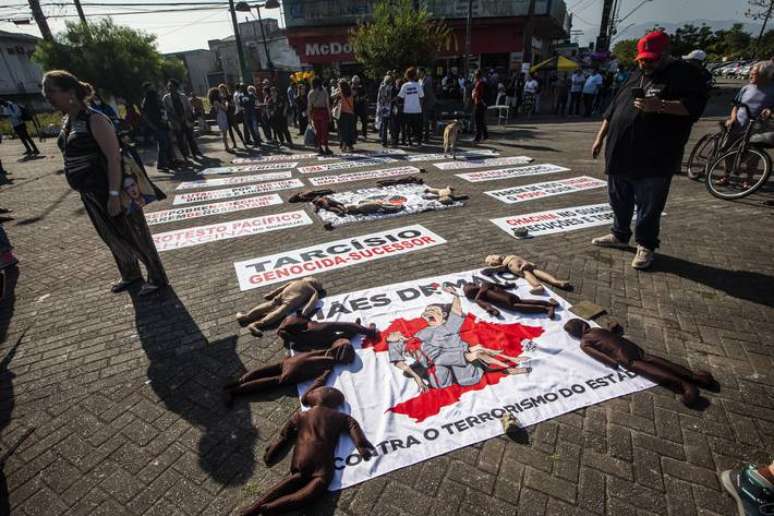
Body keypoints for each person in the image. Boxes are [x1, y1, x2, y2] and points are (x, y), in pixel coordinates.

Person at [591, 31, 710, 269]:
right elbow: (613, 109)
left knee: (649, 204)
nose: (646, 64)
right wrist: (600, 137)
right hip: (620, 151)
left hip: (655, 155)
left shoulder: (685, 75)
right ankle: (619, 234)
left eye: (651, 59)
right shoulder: (636, 74)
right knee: (618, 198)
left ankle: (645, 244)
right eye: (642, 59)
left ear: (665, 54)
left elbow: (693, 108)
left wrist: (661, 106)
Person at [44, 70, 167, 296]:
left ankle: (157, 277)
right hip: (89, 192)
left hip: (112, 189)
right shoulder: (67, 121)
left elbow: (113, 157)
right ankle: (130, 273)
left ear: (70, 91)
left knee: (134, 234)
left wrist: (112, 194)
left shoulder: (95, 119)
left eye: (51, 90)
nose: (47, 95)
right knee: (110, 235)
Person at [716, 61, 774, 188]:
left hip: (757, 128)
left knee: (753, 156)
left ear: (765, 75)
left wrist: (770, 111)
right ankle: (726, 176)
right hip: (738, 125)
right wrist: (732, 119)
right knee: (727, 151)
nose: (750, 75)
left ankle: (748, 179)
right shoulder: (746, 88)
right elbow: (736, 106)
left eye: (753, 74)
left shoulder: (772, 90)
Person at [162, 79, 202, 159]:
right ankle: (185, 156)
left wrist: (185, 116)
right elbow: (166, 111)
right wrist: (173, 120)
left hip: (185, 120)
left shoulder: (183, 96)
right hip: (175, 121)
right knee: (180, 140)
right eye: (168, 86)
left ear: (176, 87)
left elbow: (189, 108)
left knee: (190, 138)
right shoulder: (166, 98)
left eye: (171, 86)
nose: (169, 88)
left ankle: (195, 154)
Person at [140, 83, 172, 171]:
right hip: (156, 127)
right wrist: (153, 127)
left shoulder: (156, 98)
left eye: (152, 87)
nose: (152, 89)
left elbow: (162, 110)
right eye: (150, 88)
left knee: (167, 144)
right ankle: (161, 164)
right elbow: (145, 116)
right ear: (146, 90)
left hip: (163, 124)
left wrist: (166, 121)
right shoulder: (146, 101)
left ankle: (170, 162)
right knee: (163, 144)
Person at [398, 67, 424, 146]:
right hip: (417, 109)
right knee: (418, 127)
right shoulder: (418, 85)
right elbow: (422, 96)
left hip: (407, 110)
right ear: (415, 76)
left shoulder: (405, 85)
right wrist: (420, 106)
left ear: (407, 76)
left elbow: (400, 96)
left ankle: (409, 142)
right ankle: (419, 142)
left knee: (408, 127)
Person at [308, 77, 332, 156]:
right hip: (323, 112)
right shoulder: (324, 91)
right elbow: (327, 104)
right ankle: (326, 147)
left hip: (315, 113)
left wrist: (309, 117)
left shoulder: (310, 93)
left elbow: (309, 106)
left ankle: (319, 148)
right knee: (324, 131)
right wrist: (330, 115)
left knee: (318, 131)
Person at [219, 83, 245, 149]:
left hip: (231, 114)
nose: (222, 91)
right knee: (230, 131)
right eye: (221, 90)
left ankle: (243, 141)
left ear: (225, 89)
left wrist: (228, 104)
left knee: (236, 129)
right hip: (225, 115)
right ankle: (234, 144)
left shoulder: (229, 95)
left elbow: (233, 104)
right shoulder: (220, 98)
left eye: (223, 89)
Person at [208, 87, 232, 153]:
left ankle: (226, 146)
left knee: (224, 133)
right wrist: (226, 103)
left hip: (221, 116)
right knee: (224, 133)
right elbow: (225, 108)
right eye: (218, 92)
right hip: (221, 116)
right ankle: (226, 147)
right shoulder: (216, 101)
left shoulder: (216, 101)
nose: (220, 93)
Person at [334, 79, 356, 152]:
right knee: (349, 130)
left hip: (342, 114)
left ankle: (343, 146)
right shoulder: (350, 93)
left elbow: (332, 97)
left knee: (342, 131)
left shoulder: (340, 93)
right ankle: (350, 146)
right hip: (350, 113)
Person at [376, 72, 394, 147]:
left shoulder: (381, 87)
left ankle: (383, 141)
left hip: (382, 107)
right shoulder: (390, 88)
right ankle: (391, 140)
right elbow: (389, 98)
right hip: (388, 107)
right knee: (391, 124)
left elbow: (378, 98)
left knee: (384, 124)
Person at [420, 67, 437, 141]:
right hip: (423, 102)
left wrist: (422, 101)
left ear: (423, 72)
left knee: (426, 119)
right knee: (425, 120)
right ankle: (426, 135)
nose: (418, 74)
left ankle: (426, 136)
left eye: (419, 72)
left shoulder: (427, 80)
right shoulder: (420, 80)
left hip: (427, 102)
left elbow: (427, 93)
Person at [471, 70, 488, 143]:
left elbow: (476, 95)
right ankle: (485, 134)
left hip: (479, 103)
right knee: (481, 120)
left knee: (477, 120)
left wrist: (473, 93)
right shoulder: (482, 83)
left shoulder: (479, 83)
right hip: (482, 103)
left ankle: (478, 137)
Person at [351, 75, 369, 141]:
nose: (355, 84)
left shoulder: (362, 88)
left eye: (357, 83)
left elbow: (366, 95)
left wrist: (361, 98)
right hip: (354, 107)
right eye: (354, 83)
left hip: (362, 107)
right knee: (354, 122)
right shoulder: (351, 88)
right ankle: (355, 135)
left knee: (364, 122)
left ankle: (364, 134)